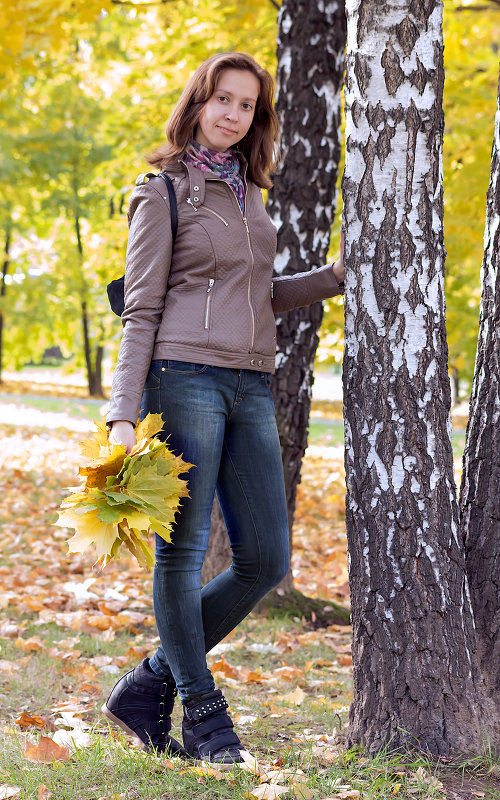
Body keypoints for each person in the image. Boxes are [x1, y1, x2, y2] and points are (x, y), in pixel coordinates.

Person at [102, 51, 345, 767]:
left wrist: (333, 277)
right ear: (198, 103)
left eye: (247, 105)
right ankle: (204, 714)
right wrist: (122, 412)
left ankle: (148, 683)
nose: (233, 114)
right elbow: (140, 310)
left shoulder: (249, 197)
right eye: (223, 100)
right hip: (182, 379)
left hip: (249, 384)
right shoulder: (162, 190)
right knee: (181, 556)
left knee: (265, 557)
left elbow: (259, 295)